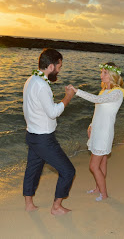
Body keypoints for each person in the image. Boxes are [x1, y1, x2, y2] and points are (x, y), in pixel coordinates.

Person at [22, 48, 76, 216]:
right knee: (68, 171)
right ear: (51, 66)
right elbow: (53, 112)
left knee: (33, 170)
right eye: (59, 66)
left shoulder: (31, 80)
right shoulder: (42, 85)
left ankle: (29, 204)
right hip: (44, 139)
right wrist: (68, 97)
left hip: (32, 135)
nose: (60, 70)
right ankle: (56, 207)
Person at [69, 62, 124, 201]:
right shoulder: (104, 91)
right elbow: (98, 110)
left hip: (104, 133)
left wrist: (77, 91)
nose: (101, 75)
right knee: (102, 162)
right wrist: (91, 126)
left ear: (112, 75)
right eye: (101, 72)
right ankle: (98, 188)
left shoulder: (117, 93)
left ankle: (104, 194)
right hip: (98, 130)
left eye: (105, 73)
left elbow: (97, 99)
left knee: (93, 166)